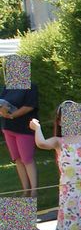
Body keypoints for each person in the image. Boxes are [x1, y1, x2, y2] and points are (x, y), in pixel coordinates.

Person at [0, 59, 40, 198]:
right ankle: (25, 190)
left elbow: (30, 106)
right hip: (8, 128)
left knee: (27, 158)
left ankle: (34, 190)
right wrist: (3, 112)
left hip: (24, 128)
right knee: (17, 159)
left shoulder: (31, 86)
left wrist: (12, 115)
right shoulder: (7, 87)